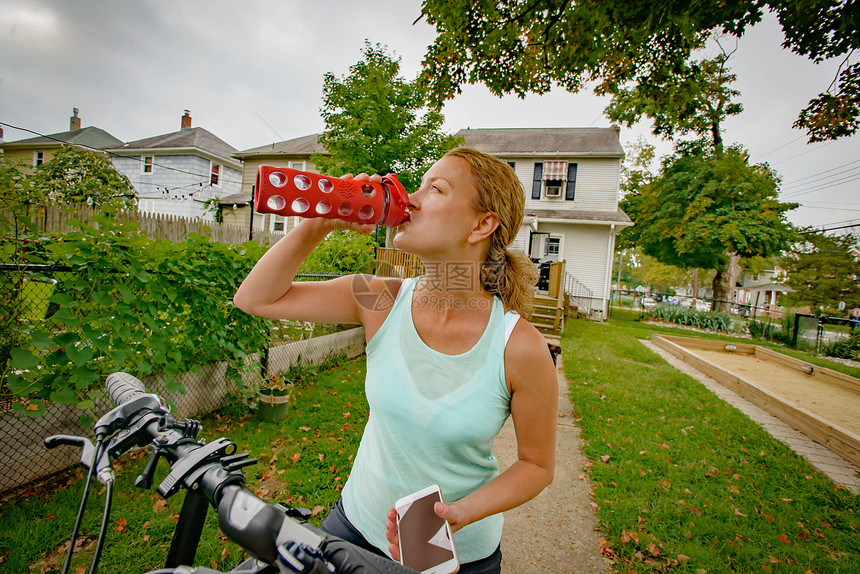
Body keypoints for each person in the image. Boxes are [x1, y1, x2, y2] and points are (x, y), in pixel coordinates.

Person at [233, 147, 558, 573]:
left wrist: (462, 513)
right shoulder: (381, 298)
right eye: (419, 185)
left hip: (448, 552)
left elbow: (536, 465)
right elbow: (255, 298)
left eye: (436, 188)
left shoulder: (518, 346)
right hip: (353, 526)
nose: (414, 198)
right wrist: (319, 225)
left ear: (482, 224)